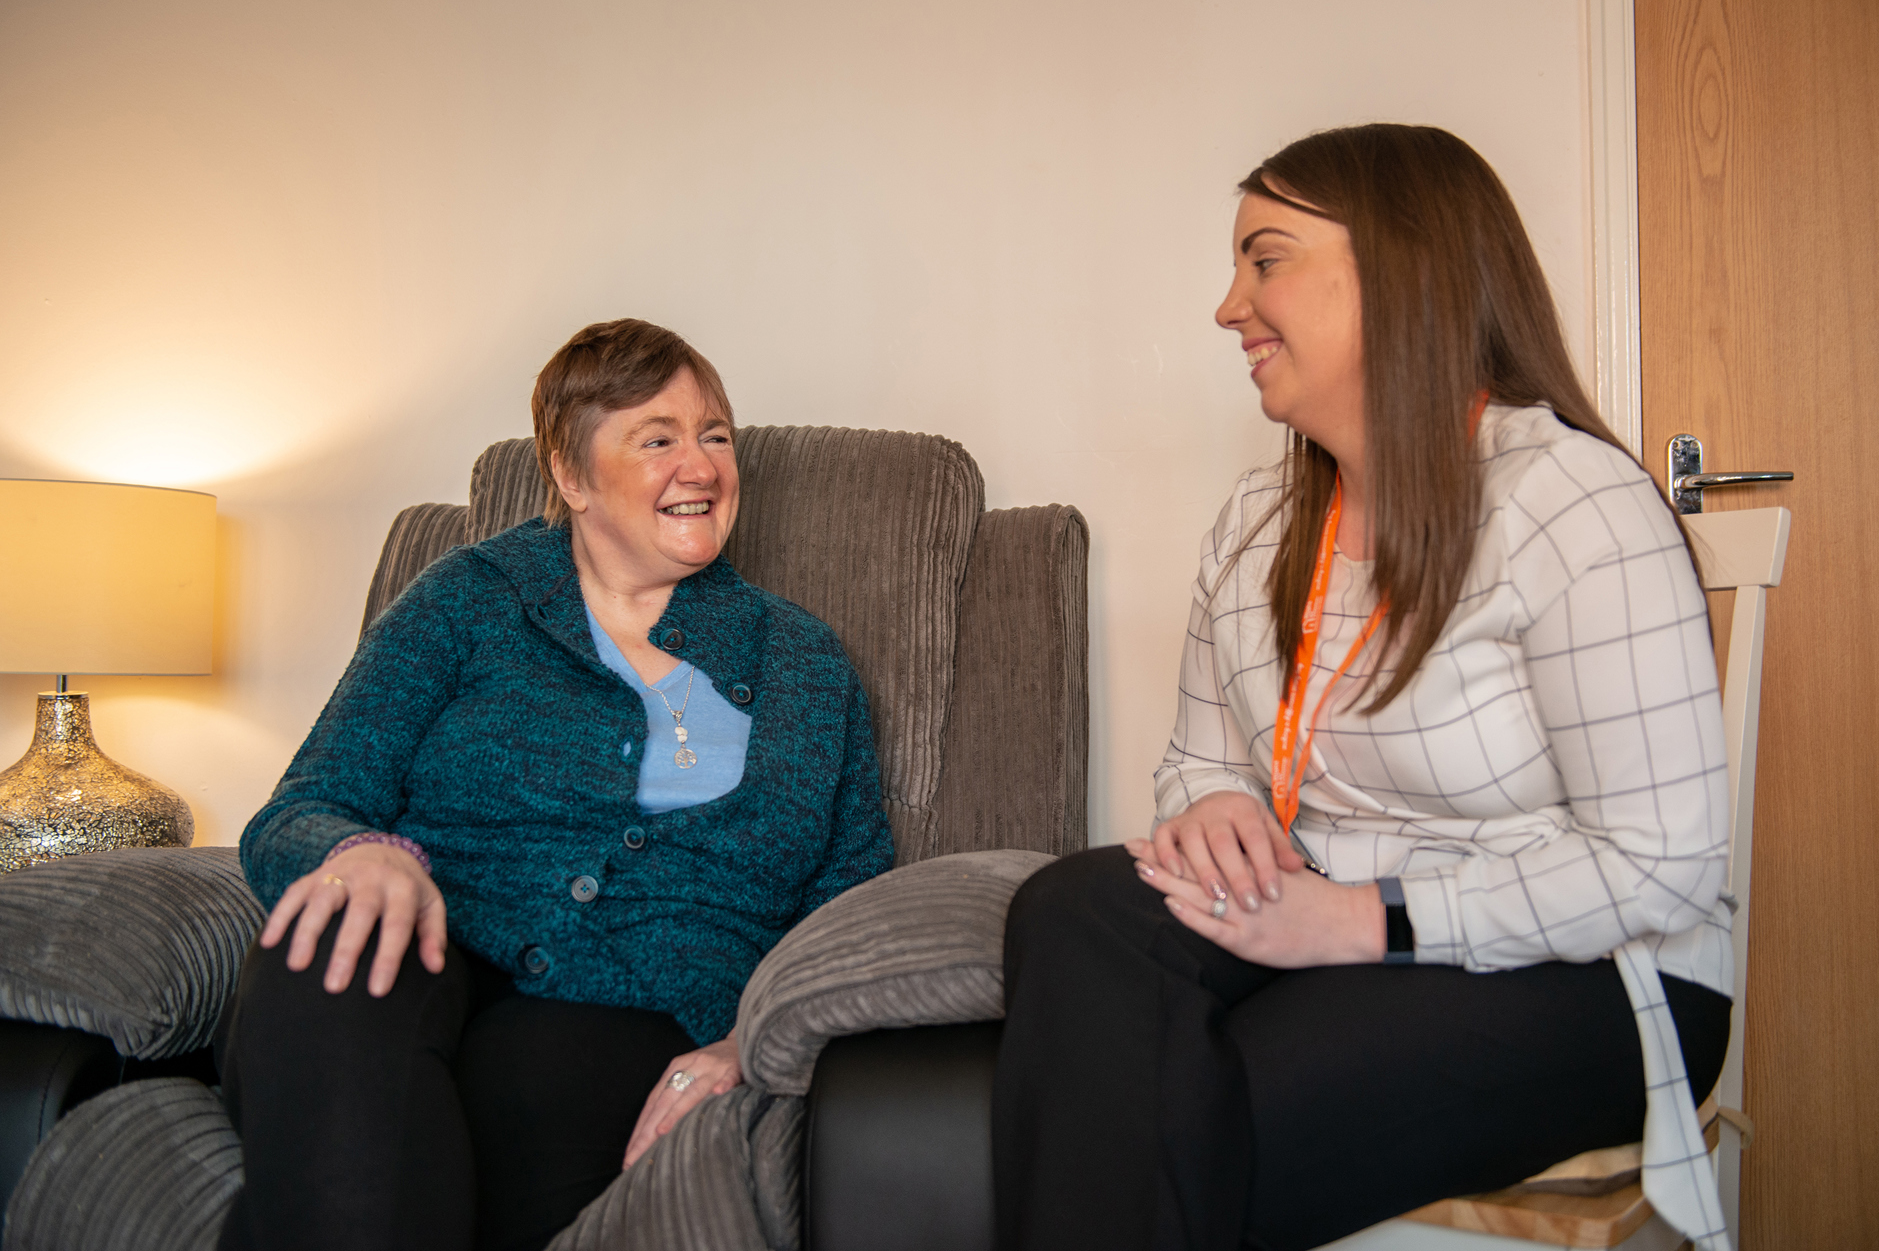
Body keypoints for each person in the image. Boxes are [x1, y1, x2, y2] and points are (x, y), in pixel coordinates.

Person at [992, 125, 1735, 1251]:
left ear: (1397, 268)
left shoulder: (1570, 503)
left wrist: (1361, 923)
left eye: (1265, 258)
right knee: (1076, 907)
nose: (1229, 306)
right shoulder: (1258, 523)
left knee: (1185, 1106)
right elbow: (1198, 758)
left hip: (1583, 970)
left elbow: (1662, 865)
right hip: (1320, 913)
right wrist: (1217, 808)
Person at [218, 319, 893, 1251]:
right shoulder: (465, 599)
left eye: (716, 435)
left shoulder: (805, 662)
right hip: (429, 947)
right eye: (657, 438)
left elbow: (852, 909)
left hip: (630, 1007)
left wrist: (752, 1045)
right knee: (326, 951)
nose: (699, 465)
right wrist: (366, 851)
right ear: (571, 476)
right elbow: (299, 807)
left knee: (527, 1090)